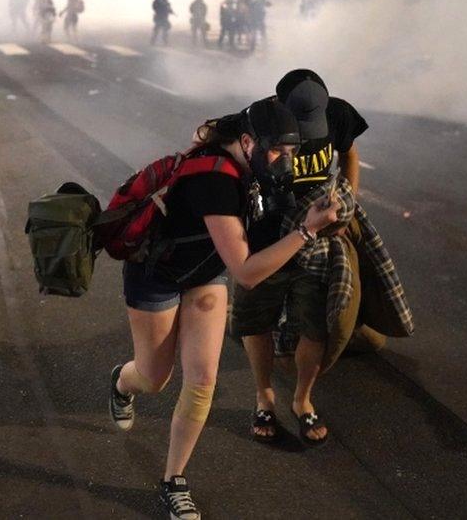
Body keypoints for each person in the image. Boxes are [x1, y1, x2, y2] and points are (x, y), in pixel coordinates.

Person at [108, 100, 341, 520]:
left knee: (202, 380)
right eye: (278, 153)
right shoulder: (215, 180)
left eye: (291, 153)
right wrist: (308, 230)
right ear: (249, 142)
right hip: (155, 273)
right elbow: (248, 272)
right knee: (153, 377)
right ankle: (123, 384)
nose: (285, 162)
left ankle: (173, 480)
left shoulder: (249, 160)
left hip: (205, 273)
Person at [233, 69, 368, 447]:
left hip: (317, 241)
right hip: (267, 242)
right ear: (280, 106)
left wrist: (349, 204)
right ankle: (264, 397)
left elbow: (350, 153)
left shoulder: (338, 115)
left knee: (317, 326)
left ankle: (301, 398)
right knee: (256, 320)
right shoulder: (258, 120)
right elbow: (219, 143)